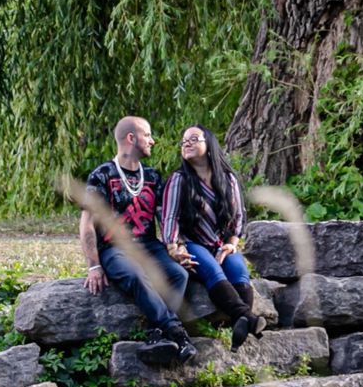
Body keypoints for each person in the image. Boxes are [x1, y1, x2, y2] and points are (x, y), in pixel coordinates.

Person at [82, 115, 197, 364]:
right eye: (147, 135)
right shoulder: (102, 175)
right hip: (115, 249)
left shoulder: (153, 177)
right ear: (131, 138)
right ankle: (176, 332)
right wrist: (93, 265)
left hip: (148, 245)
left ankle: (157, 333)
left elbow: (165, 220)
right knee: (136, 275)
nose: (152, 141)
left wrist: (175, 249)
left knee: (179, 274)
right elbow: (87, 224)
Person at [162, 125, 265, 349]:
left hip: (220, 242)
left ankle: (241, 325)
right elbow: (169, 218)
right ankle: (248, 318)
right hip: (191, 242)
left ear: (209, 145)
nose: (186, 144)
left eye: (193, 139)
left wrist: (231, 244)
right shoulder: (179, 180)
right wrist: (174, 249)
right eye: (183, 141)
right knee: (213, 271)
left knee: (239, 271)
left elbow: (238, 215)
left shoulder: (228, 179)